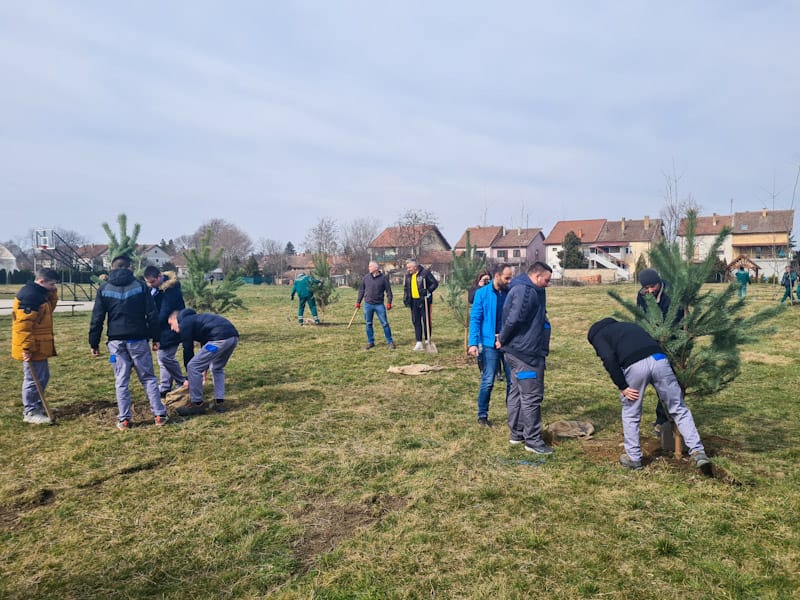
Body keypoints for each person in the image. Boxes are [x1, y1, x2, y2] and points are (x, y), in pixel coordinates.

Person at [587, 317, 710, 470]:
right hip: (659, 359)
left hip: (635, 365)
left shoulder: (598, 336)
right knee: (678, 408)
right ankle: (698, 452)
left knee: (631, 412)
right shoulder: (629, 326)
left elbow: (608, 358)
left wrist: (623, 386)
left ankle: (633, 458)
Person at [89, 255, 168, 430]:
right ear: (129, 267)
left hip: (116, 342)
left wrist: (93, 343)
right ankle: (159, 414)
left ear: (113, 268)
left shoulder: (104, 289)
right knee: (148, 378)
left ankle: (124, 419)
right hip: (138, 339)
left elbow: (97, 318)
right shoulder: (140, 287)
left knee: (121, 380)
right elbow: (152, 314)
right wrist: (156, 338)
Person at [496, 262, 553, 454]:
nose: (547, 284)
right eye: (546, 280)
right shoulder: (526, 292)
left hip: (517, 351)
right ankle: (533, 441)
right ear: (536, 276)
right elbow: (514, 319)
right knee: (531, 397)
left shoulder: (527, 288)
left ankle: (517, 433)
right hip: (525, 353)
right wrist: (502, 339)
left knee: (517, 392)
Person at [636, 267, 684, 435]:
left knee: (670, 381)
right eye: (646, 288)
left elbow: (677, 319)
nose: (649, 291)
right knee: (658, 380)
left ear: (659, 283)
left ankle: (664, 419)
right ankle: (663, 417)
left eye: (652, 287)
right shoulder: (642, 295)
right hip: (652, 341)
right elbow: (640, 317)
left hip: (673, 341)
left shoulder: (671, 293)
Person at [11, 268, 60, 424]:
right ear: (41, 281)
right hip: (32, 347)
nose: (54, 287)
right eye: (52, 284)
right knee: (34, 378)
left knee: (42, 377)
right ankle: (31, 411)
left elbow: (49, 311)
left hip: (39, 345)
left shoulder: (40, 294)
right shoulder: (30, 297)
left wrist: (51, 292)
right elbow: (22, 326)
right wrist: (26, 348)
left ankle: (37, 405)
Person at [169, 308, 239, 416]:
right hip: (232, 337)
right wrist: (204, 368)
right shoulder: (197, 319)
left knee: (192, 366)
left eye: (171, 324)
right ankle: (219, 402)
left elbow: (187, 349)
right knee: (217, 368)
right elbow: (205, 343)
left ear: (175, 319)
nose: (172, 328)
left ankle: (197, 404)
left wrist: (189, 376)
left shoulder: (185, 323)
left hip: (219, 339)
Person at [468, 263, 513, 427]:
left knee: (512, 381)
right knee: (488, 380)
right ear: (497, 277)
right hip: (489, 344)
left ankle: (513, 414)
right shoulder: (482, 294)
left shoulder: (511, 293)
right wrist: (473, 343)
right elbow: (475, 319)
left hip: (508, 343)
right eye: (507, 278)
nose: (510, 281)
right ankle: (482, 415)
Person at [143, 266, 187, 401]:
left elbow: (164, 312)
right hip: (161, 329)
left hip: (172, 327)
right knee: (162, 359)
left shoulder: (170, 290)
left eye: (152, 282)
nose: (150, 285)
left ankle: (182, 382)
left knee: (165, 357)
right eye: (148, 282)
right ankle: (165, 386)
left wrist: (150, 327)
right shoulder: (155, 290)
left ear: (160, 276)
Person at [356, 261, 396, 350]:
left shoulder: (383, 278)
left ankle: (390, 342)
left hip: (379, 305)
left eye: (370, 266)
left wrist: (389, 302)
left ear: (376, 268)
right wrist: (358, 301)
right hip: (368, 304)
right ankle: (370, 342)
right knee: (368, 323)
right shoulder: (366, 278)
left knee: (385, 323)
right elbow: (361, 290)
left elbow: (389, 292)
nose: (369, 268)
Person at [402, 259, 438, 351]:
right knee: (416, 321)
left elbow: (435, 283)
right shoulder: (408, 276)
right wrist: (405, 298)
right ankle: (418, 342)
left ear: (415, 267)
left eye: (409, 267)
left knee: (426, 320)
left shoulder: (425, 273)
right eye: (407, 268)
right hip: (413, 301)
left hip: (424, 300)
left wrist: (428, 291)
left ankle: (427, 340)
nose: (408, 269)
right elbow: (406, 288)